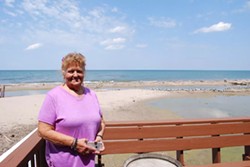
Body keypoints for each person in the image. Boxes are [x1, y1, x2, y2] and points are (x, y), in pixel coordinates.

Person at [38, 52, 105, 167]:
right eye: (71, 71)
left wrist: (99, 137)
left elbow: (101, 122)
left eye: (79, 71)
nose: (75, 75)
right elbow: (43, 131)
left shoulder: (91, 94)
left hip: (89, 162)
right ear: (64, 74)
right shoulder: (53, 96)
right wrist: (74, 143)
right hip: (63, 163)